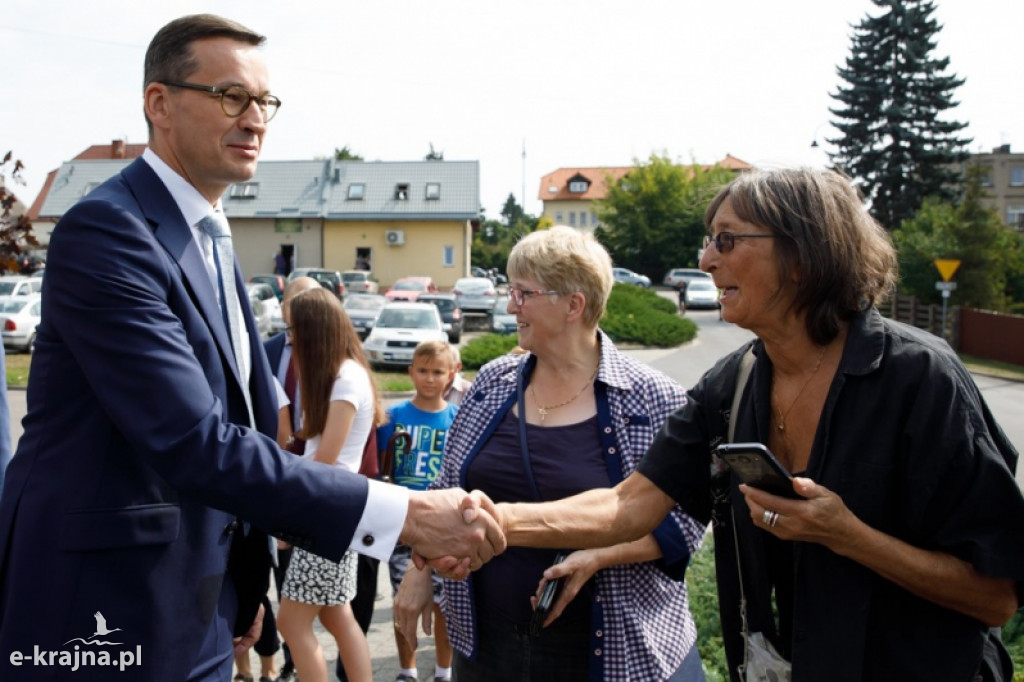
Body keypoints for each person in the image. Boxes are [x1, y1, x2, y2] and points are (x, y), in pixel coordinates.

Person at [0, 14, 502, 682]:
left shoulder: (211, 234)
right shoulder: (109, 232)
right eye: (231, 97)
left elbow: (250, 427)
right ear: (160, 104)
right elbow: (192, 440)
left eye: (264, 102)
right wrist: (404, 513)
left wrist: (244, 577)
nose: (255, 119)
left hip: (203, 604)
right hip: (106, 607)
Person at [472, 169, 1024, 681]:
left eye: (727, 240)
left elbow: (995, 596)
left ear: (802, 255)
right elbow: (630, 504)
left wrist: (849, 536)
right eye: (709, 241)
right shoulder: (731, 383)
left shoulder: (919, 379)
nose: (707, 261)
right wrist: (483, 520)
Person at [396, 226, 706, 681]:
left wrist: (597, 555)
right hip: (487, 647)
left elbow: (685, 523)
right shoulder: (491, 384)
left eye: (523, 293)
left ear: (573, 305)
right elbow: (447, 486)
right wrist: (420, 569)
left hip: (607, 651)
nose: (509, 306)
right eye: (510, 290)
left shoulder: (651, 397)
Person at [276, 287, 384, 682]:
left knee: (292, 624)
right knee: (337, 616)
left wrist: (284, 498)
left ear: (312, 331)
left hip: (326, 514)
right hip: (333, 513)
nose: (289, 339)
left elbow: (326, 461)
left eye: (293, 329)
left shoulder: (345, 379)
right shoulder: (346, 374)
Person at [379, 340, 460, 682]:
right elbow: (383, 471)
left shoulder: (458, 418)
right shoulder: (392, 418)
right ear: (410, 372)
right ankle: (407, 670)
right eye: (423, 371)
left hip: (445, 528)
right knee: (404, 602)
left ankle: (444, 671)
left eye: (438, 371)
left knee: (446, 606)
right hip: (401, 525)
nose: (429, 378)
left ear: (452, 374)